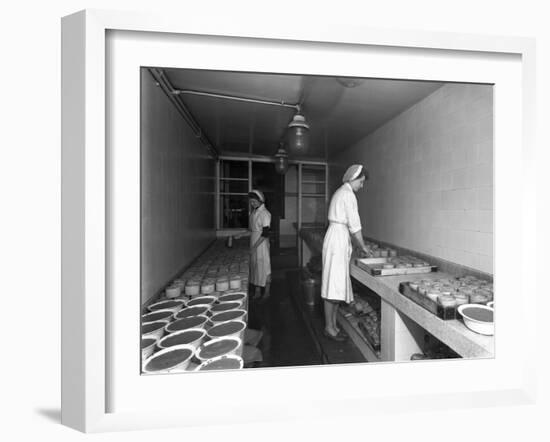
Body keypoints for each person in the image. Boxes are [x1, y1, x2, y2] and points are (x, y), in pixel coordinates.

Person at [321, 164, 372, 341]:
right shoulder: (348, 194)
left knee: (335, 286)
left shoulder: (341, 192)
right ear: (353, 178)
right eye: (362, 181)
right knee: (332, 287)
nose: (362, 186)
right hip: (337, 240)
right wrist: (363, 247)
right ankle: (329, 327)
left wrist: (355, 244)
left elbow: (349, 226)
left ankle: (333, 325)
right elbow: (355, 225)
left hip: (336, 237)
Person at [235, 189, 272, 300]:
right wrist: (240, 235)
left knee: (264, 267)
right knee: (255, 267)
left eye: (254, 201)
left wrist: (254, 247)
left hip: (262, 244)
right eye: (251, 202)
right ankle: (257, 291)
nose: (252, 203)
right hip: (254, 243)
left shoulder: (265, 213)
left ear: (260, 200)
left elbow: (265, 233)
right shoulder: (254, 213)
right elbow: (251, 230)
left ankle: (267, 292)